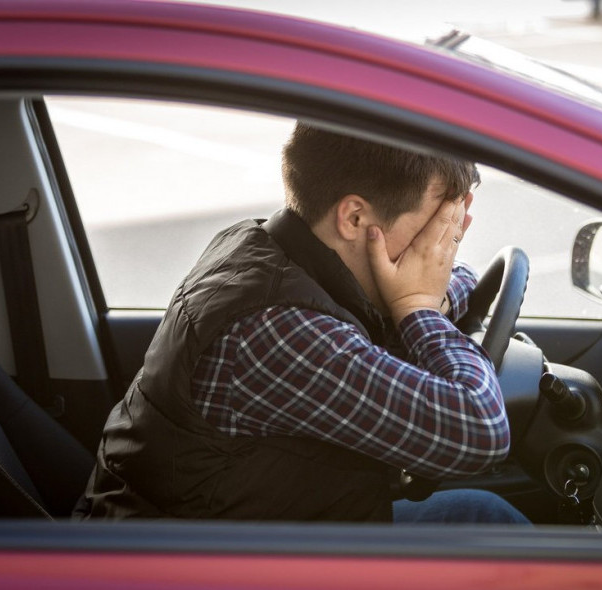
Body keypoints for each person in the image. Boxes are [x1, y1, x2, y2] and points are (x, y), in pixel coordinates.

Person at [77, 122, 528, 524]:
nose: (438, 247)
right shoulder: (275, 329)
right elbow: (480, 433)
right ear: (354, 217)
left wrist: (427, 297)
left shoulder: (264, 244)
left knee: (483, 516)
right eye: (432, 228)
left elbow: (453, 275)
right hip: (198, 569)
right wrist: (419, 309)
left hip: (265, 529)